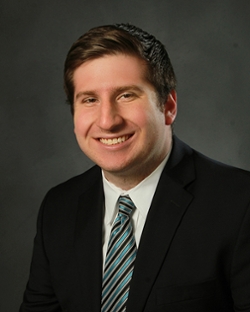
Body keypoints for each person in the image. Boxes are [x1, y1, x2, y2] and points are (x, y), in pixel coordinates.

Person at [20, 23, 250, 312]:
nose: (107, 121)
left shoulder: (240, 204)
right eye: (90, 100)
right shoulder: (59, 208)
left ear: (168, 106)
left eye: (126, 95)